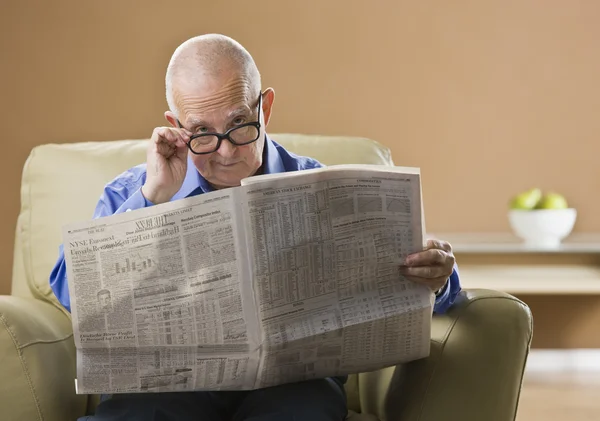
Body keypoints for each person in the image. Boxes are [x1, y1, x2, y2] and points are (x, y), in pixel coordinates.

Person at [49, 33, 461, 421]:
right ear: (176, 125)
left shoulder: (323, 186)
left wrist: (437, 275)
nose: (226, 150)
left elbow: (435, 300)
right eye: (201, 133)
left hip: (291, 384)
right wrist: (152, 197)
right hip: (168, 388)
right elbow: (73, 296)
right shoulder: (136, 190)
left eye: (239, 123)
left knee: (304, 407)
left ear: (264, 108)